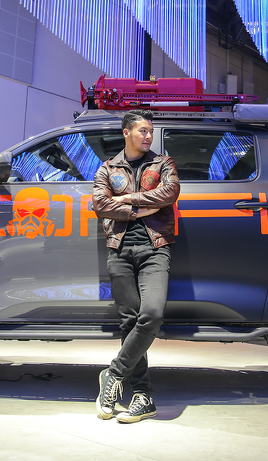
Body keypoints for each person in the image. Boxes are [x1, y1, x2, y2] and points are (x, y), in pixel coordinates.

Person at [92, 109, 180, 423]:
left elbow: (170, 192)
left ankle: (113, 375)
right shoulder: (107, 168)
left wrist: (127, 199)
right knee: (129, 322)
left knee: (152, 314)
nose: (148, 136)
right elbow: (100, 204)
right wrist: (142, 208)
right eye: (143, 130)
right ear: (126, 132)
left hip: (156, 248)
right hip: (119, 249)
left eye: (150, 131)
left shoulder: (163, 163)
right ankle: (143, 396)